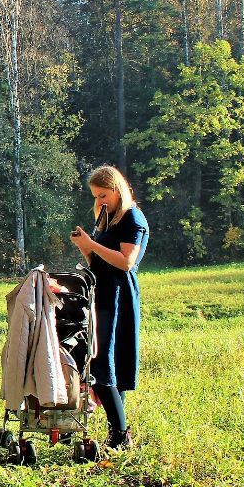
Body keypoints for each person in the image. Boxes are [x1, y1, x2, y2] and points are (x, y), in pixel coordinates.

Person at [70, 165, 149, 450]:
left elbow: (126, 263)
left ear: (117, 190)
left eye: (103, 194)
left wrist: (92, 242)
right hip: (101, 292)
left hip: (118, 295)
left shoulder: (132, 219)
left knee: (103, 363)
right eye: (95, 196)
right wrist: (85, 247)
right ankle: (117, 433)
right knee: (102, 361)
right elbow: (99, 264)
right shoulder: (108, 220)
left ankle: (120, 434)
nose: (99, 201)